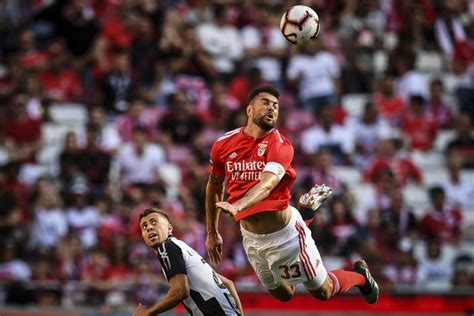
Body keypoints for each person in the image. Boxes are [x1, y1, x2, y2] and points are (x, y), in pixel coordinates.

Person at [205, 86, 379, 304]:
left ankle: (360, 277)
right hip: (252, 239)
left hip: (286, 236)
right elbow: (214, 185)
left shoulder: (280, 145)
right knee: (284, 295)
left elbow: (267, 185)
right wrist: (212, 231)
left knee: (322, 292)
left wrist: (238, 206)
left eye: (276, 106)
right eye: (266, 103)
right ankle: (305, 216)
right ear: (249, 110)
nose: (272, 108)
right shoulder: (223, 144)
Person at [134, 208, 243, 316]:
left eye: (154, 222)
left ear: (169, 228)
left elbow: (181, 290)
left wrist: (149, 312)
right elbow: (228, 283)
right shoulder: (183, 248)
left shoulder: (166, 247)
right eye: (144, 226)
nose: (149, 227)